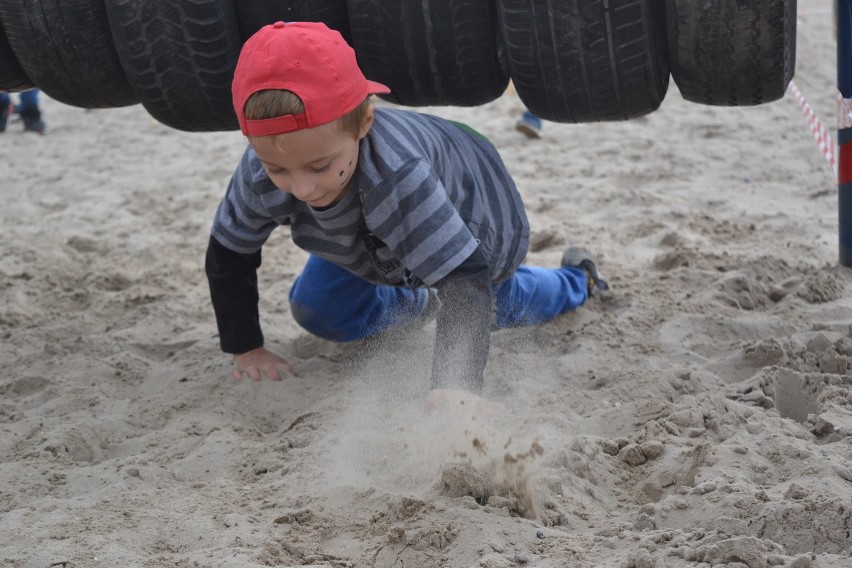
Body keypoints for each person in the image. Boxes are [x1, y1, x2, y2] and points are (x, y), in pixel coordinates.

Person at [206, 21, 608, 401]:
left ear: (364, 122)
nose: (302, 188)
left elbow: (466, 278)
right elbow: (229, 251)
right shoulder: (260, 169)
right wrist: (247, 348)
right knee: (318, 310)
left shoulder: (398, 173)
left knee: (497, 303)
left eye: (319, 166)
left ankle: (578, 279)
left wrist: (456, 388)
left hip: (471, 219)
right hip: (365, 238)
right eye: (278, 169)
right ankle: (424, 302)